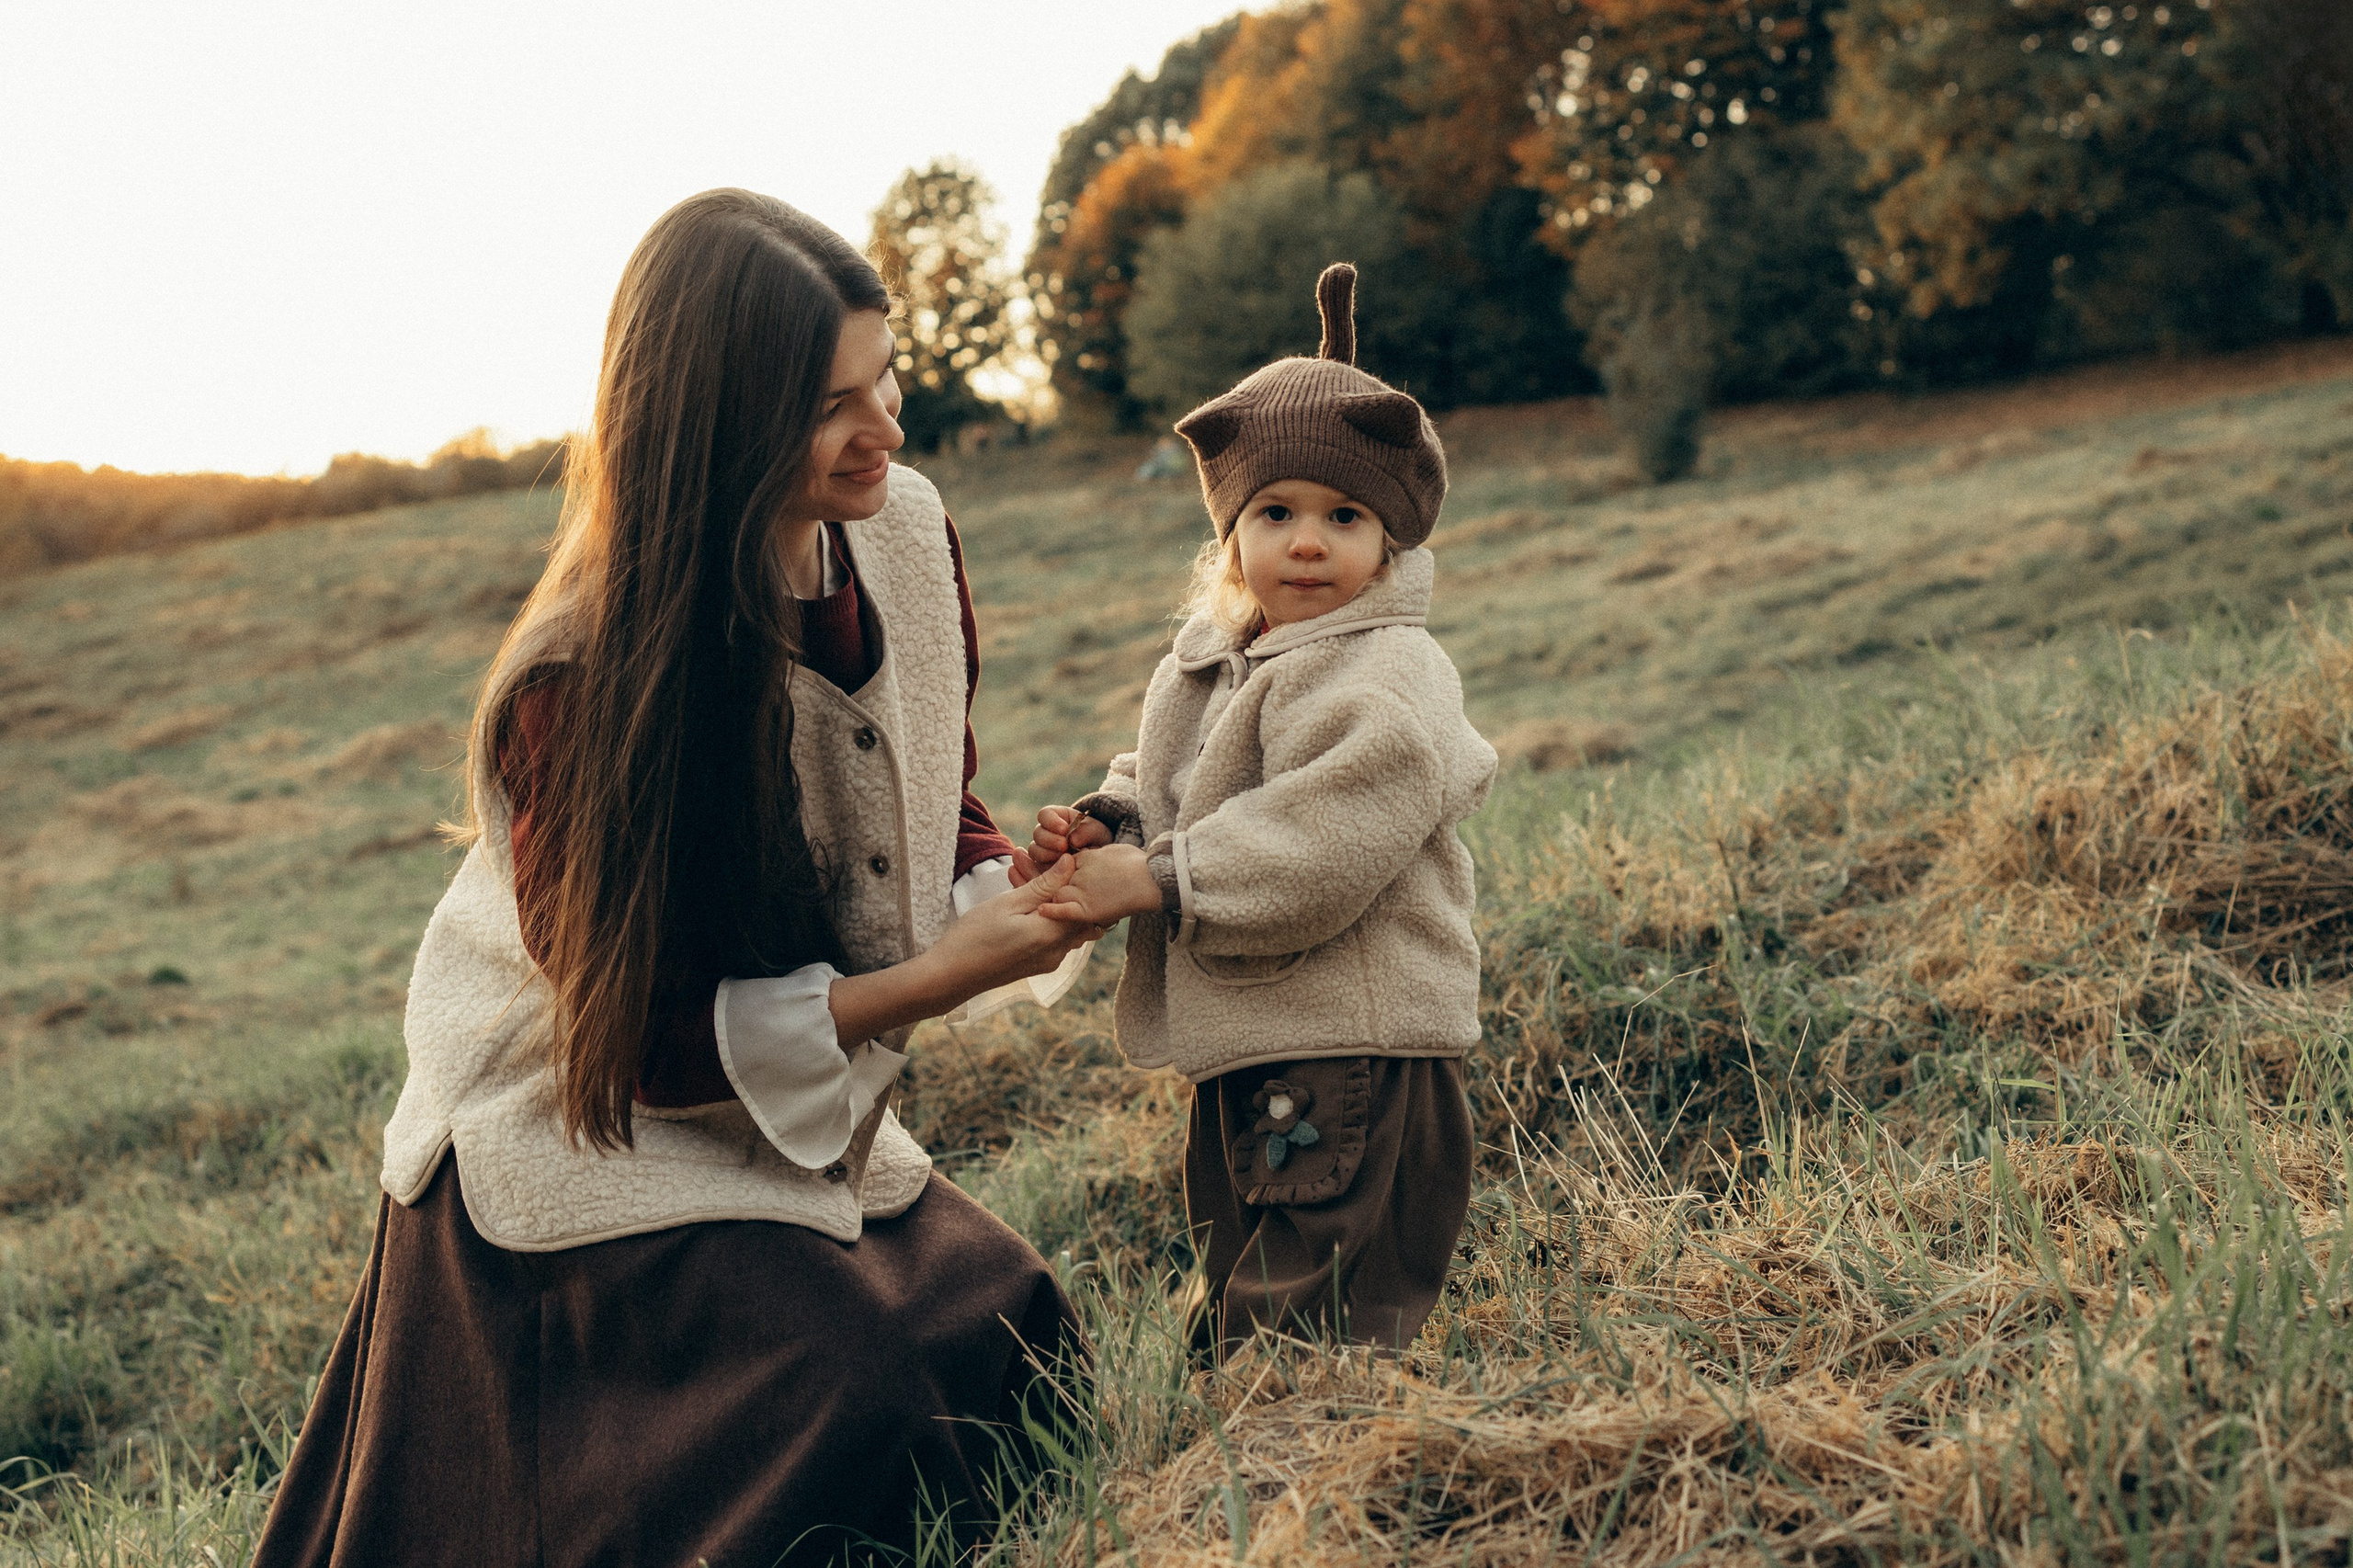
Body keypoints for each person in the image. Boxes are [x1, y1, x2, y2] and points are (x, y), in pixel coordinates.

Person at [252, 189, 1097, 1568]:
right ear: (715, 422)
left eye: (886, 374)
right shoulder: (582, 680)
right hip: (577, 1123)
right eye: (832, 404)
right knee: (858, 1390)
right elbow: (637, 1047)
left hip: (782, 1102)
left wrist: (1013, 880)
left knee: (1015, 1328)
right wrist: (938, 975)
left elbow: (927, 789)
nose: (886, 425)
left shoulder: (902, 531)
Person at [1019, 264, 1497, 1354]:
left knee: (1317, 1297)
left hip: (1353, 1041)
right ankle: (1237, 1443)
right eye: (1274, 512)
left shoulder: (1385, 672)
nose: (1308, 540)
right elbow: (1166, 776)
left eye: (1345, 515)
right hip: (1254, 1037)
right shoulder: (1214, 660)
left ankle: (1314, 1464)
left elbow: (1325, 832)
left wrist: (1157, 878)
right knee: (1241, 1260)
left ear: (1394, 541)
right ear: (1231, 532)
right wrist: (1112, 823)